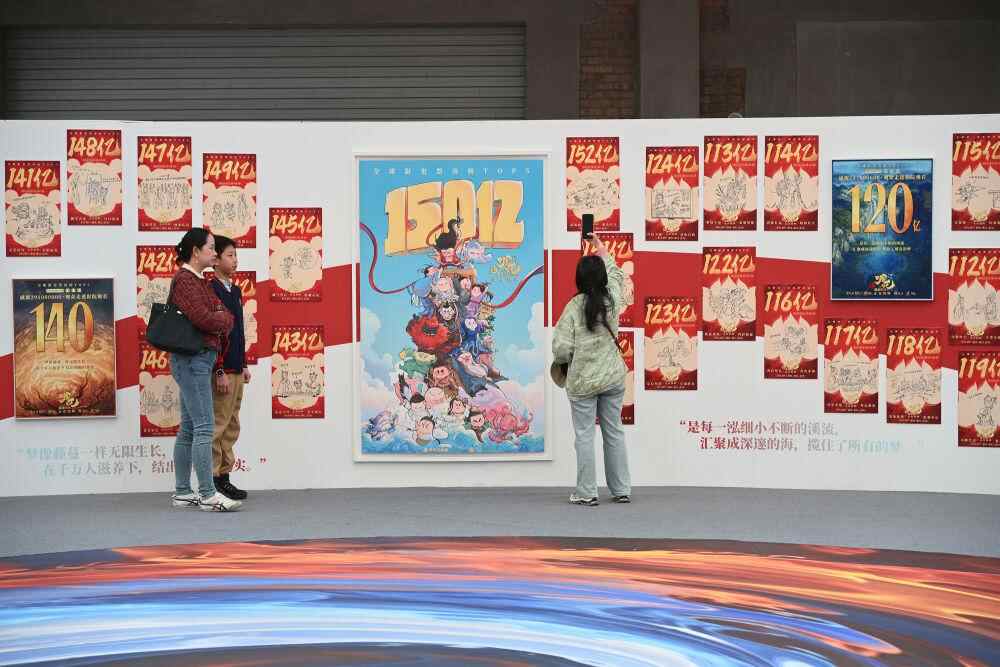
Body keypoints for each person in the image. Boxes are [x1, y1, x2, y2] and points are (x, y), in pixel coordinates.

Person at [552, 233, 631, 506]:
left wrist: (567, 361)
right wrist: (603, 251)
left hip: (583, 383)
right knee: (614, 431)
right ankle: (621, 490)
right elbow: (617, 276)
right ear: (603, 278)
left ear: (579, 279)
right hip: (612, 378)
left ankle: (587, 493)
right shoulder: (613, 300)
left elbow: (561, 349)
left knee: (585, 436)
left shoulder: (573, 307)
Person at [167, 229, 242, 512]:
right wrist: (220, 319)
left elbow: (222, 314)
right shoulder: (185, 280)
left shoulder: (199, 280)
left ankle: (183, 492)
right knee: (204, 427)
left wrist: (220, 317)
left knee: (189, 428)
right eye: (210, 248)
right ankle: (208, 494)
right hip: (192, 360)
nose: (214, 252)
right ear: (195, 252)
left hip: (198, 360)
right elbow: (204, 318)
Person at [208, 235, 251, 501]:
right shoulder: (210, 289)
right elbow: (213, 335)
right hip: (222, 370)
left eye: (236, 255)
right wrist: (219, 370)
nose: (235, 260)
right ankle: (212, 481)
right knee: (218, 424)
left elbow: (238, 332)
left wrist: (243, 363)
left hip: (236, 367)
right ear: (215, 260)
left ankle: (225, 477)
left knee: (232, 423)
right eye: (230, 255)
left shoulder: (234, 291)